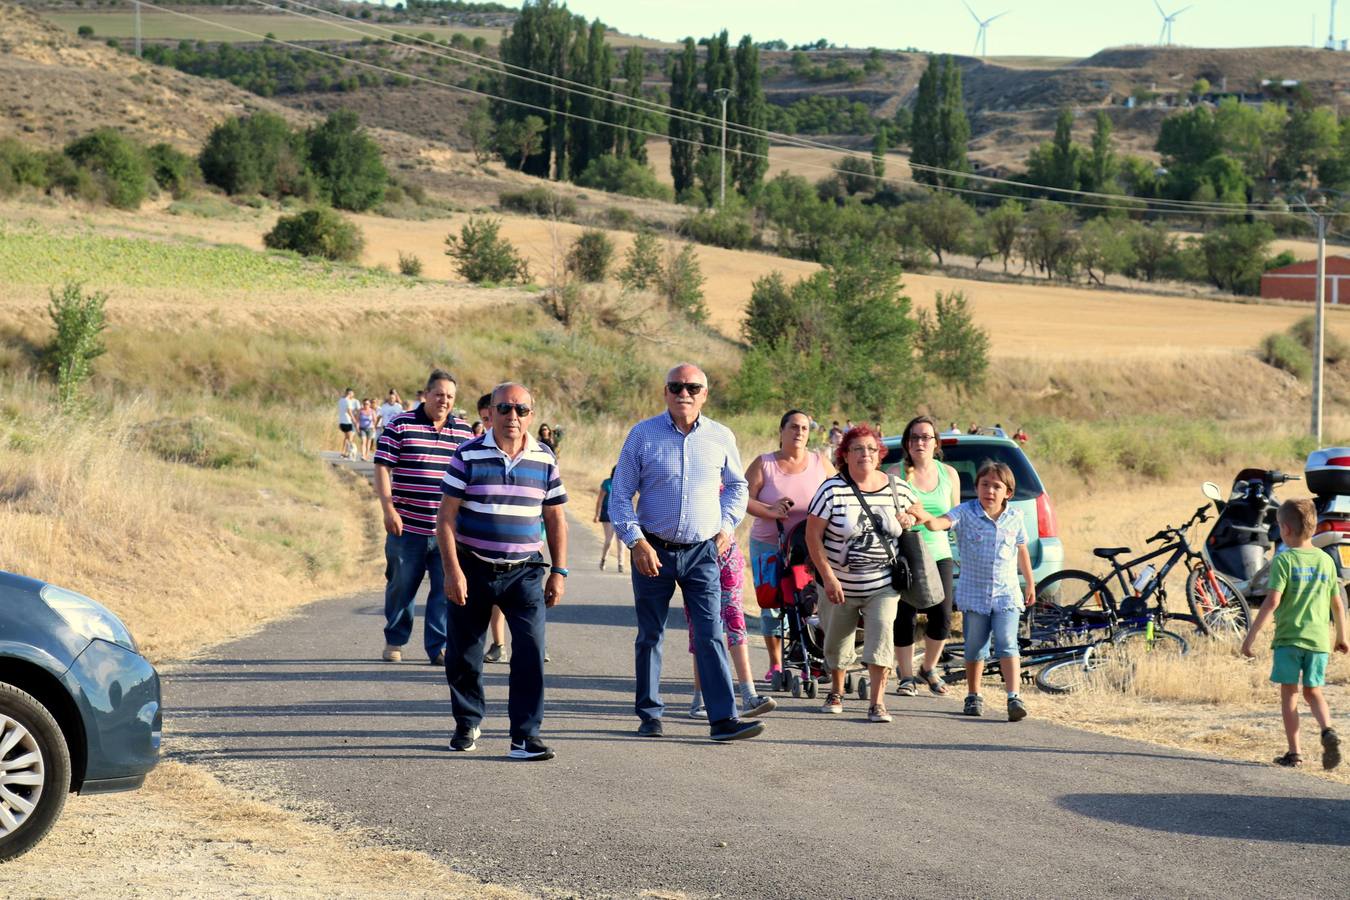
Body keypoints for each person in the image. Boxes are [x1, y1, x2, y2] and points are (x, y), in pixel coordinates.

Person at [609, 363, 764, 742]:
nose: (685, 393)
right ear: (665, 391)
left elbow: (738, 486)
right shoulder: (642, 435)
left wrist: (727, 526)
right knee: (651, 634)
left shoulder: (720, 436)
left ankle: (723, 720)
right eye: (676, 386)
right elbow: (619, 495)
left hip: (702, 553)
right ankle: (649, 714)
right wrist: (636, 542)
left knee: (712, 634)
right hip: (653, 550)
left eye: (693, 387)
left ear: (704, 394)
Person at [437, 382, 568, 761]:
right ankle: (467, 721)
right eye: (505, 409)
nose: (513, 417)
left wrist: (559, 571)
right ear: (490, 412)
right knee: (464, 654)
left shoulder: (544, 458)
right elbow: (445, 518)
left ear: (531, 413)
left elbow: (555, 517)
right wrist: (452, 571)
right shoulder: (468, 454)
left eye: (522, 410)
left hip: (524, 572)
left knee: (530, 651)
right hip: (472, 567)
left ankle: (525, 737)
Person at [805, 423, 926, 723]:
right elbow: (812, 537)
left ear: (880, 454)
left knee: (881, 637)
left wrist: (910, 517)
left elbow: (923, 515)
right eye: (857, 449)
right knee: (837, 640)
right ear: (845, 455)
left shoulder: (897, 487)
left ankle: (877, 702)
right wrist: (829, 578)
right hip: (839, 585)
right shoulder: (831, 489)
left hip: (883, 584)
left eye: (871, 449)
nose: (865, 454)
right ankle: (836, 691)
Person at [373, 370, 473, 665]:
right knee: (401, 586)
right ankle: (395, 640)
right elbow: (382, 466)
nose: (444, 401)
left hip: (448, 531)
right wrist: (388, 509)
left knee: (446, 590)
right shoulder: (400, 424)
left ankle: (438, 647)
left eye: (450, 397)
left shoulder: (465, 433)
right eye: (439, 394)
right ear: (426, 394)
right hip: (407, 527)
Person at [924, 461, 1036, 722]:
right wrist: (925, 517)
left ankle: (1013, 697)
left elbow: (1022, 550)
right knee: (975, 647)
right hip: (974, 595)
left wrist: (1029, 583)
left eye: (997, 486)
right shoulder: (965, 512)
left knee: (1008, 644)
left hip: (1006, 594)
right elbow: (940, 523)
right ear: (976, 488)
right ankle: (974, 695)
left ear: (1007, 493)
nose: (990, 491)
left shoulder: (1015, 517)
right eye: (985, 485)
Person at [1241, 499, 1348, 769]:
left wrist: (1251, 636)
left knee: (1290, 694)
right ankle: (1327, 729)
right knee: (1314, 692)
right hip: (1319, 641)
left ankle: (1295, 753)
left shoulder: (1284, 560)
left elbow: (1272, 601)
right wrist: (1341, 637)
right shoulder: (1326, 561)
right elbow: (1337, 604)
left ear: (1286, 529)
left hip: (1289, 639)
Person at [745, 409, 830, 686]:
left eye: (805, 428)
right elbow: (742, 498)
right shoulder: (764, 464)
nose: (799, 432)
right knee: (772, 603)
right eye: (793, 427)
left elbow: (839, 495)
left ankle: (814, 658)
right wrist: (770, 510)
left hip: (811, 546)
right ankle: (776, 663)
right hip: (769, 543)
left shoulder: (821, 463)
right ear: (781, 431)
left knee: (810, 603)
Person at [885, 415, 959, 698]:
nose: (919, 442)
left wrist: (929, 518)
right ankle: (905, 676)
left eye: (925, 437)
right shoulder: (895, 472)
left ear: (935, 442)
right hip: (906, 551)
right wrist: (900, 520)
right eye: (914, 437)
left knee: (942, 616)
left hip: (939, 552)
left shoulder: (948, 474)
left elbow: (954, 516)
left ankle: (928, 668)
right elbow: (886, 513)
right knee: (905, 615)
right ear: (907, 443)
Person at [684, 537, 776, 719]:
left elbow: (737, 507)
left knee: (735, 618)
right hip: (692, 553)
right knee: (702, 626)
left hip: (727, 550)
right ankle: (700, 699)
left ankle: (749, 695)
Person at [475, 391, 509, 664]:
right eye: (485, 419)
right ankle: (495, 642)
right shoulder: (471, 451)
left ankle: (510, 642)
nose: (490, 424)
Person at [595, 466, 623, 573]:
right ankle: (603, 559)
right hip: (607, 513)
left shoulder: (623, 484)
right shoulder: (607, 483)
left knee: (621, 540)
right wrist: (597, 515)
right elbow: (600, 500)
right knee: (609, 540)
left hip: (620, 514)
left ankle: (621, 563)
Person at [336, 387, 359, 459]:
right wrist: (354, 419)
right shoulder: (347, 401)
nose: (353, 395)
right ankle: (350, 452)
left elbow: (340, 411)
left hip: (342, 421)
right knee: (350, 438)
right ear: (349, 393)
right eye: (352, 393)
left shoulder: (340, 400)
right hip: (348, 421)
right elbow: (349, 411)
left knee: (346, 437)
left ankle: (343, 453)